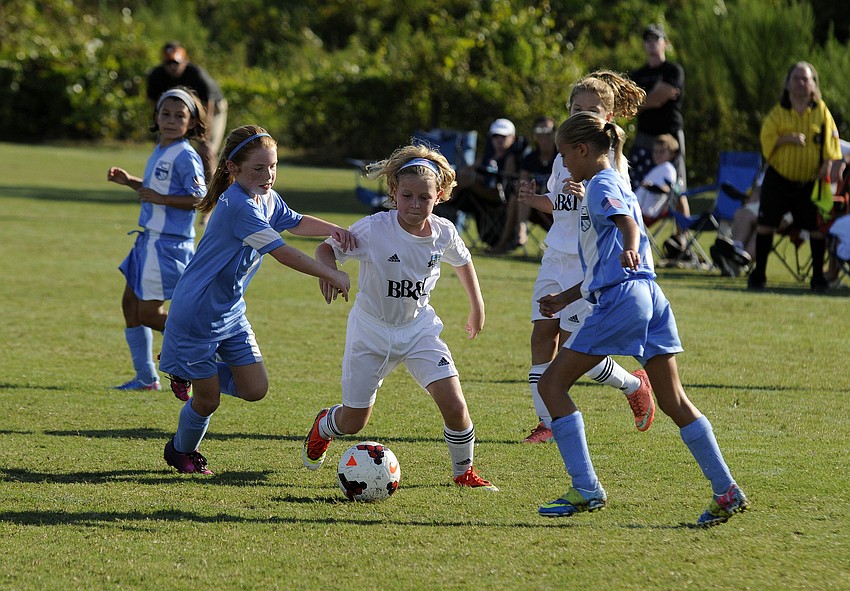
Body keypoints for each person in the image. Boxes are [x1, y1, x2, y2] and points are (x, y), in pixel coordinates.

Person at [536, 112, 748, 527]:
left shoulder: (600, 183)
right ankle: (726, 490)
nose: (563, 163)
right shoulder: (610, 182)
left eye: (564, 155)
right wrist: (565, 297)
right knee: (673, 400)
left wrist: (631, 247)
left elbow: (628, 227)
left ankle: (586, 488)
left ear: (582, 150)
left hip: (624, 298)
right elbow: (608, 260)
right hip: (650, 296)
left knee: (551, 383)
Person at [158, 125, 355, 474]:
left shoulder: (267, 197)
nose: (269, 175)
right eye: (259, 169)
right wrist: (332, 274)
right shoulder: (237, 204)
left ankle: (181, 365)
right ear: (233, 169)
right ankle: (180, 450)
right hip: (196, 315)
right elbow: (281, 252)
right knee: (208, 400)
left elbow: (294, 222)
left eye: (274, 166)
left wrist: (337, 229)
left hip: (231, 313)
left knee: (255, 389)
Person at [301, 144, 497, 491]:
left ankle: (463, 472)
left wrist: (477, 305)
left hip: (419, 330)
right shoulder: (375, 228)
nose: (415, 205)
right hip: (370, 332)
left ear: (439, 196)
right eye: (407, 196)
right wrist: (329, 271)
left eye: (425, 197)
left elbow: (463, 261)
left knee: (455, 405)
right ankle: (324, 426)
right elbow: (326, 248)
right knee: (354, 422)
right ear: (393, 192)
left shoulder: (444, 232)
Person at [514, 71, 654, 444]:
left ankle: (632, 385)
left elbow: (610, 211)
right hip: (553, 258)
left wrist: (585, 197)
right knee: (542, 336)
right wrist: (535, 201)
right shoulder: (564, 157)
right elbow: (559, 206)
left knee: (580, 351)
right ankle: (546, 423)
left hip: (583, 266)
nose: (583, 115)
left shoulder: (610, 166)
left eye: (592, 110)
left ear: (607, 119)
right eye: (577, 108)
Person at [108, 86, 208, 393]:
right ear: (156, 116)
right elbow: (156, 190)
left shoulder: (185, 155)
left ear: (191, 122)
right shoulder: (162, 148)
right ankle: (145, 377)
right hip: (147, 242)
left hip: (167, 244)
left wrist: (162, 199)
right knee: (129, 304)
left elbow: (199, 197)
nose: (171, 120)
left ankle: (204, 348)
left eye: (180, 115)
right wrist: (131, 183)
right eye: (166, 113)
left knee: (148, 314)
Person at [749, 61, 842, 292]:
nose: (801, 83)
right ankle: (759, 274)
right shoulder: (779, 112)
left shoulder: (821, 111)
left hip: (809, 182)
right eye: (796, 79)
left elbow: (833, 140)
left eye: (806, 79)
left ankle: (818, 278)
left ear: (813, 84)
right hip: (779, 179)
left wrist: (827, 163)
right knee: (765, 225)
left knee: (816, 228)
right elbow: (766, 142)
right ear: (788, 83)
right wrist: (785, 139)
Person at [146, 41, 228, 182]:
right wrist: (160, 129)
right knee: (163, 147)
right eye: (169, 63)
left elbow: (209, 107)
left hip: (212, 109)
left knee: (207, 152)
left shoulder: (196, 75)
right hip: (180, 113)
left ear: (185, 61)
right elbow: (155, 106)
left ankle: (213, 193)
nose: (172, 67)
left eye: (176, 63)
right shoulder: (156, 76)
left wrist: (204, 138)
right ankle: (162, 186)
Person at [444, 118, 524, 247]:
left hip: (500, 198)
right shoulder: (486, 157)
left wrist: (473, 179)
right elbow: (467, 171)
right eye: (495, 136)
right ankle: (443, 200)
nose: (499, 139)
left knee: (469, 179)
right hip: (479, 199)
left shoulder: (511, 158)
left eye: (503, 136)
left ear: (512, 138)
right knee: (459, 177)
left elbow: (507, 185)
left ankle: (445, 198)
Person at [628, 23, 686, 191]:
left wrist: (642, 102)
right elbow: (631, 105)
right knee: (638, 184)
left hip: (670, 135)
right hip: (644, 135)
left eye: (656, 38)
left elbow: (658, 99)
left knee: (676, 185)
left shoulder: (673, 70)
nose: (651, 42)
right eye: (647, 39)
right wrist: (656, 94)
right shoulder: (637, 75)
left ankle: (681, 218)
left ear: (665, 43)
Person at [488, 116, 557, 254]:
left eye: (547, 130)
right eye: (539, 130)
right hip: (534, 206)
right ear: (535, 134)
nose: (543, 134)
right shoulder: (530, 158)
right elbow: (523, 182)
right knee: (521, 194)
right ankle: (519, 231)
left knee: (520, 197)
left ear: (554, 133)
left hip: (556, 205)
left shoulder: (561, 156)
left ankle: (508, 239)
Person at [635, 133, 693, 260]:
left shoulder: (667, 169)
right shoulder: (658, 169)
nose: (657, 155)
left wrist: (650, 186)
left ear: (672, 154)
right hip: (639, 209)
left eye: (662, 152)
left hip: (644, 212)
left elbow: (669, 189)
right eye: (655, 151)